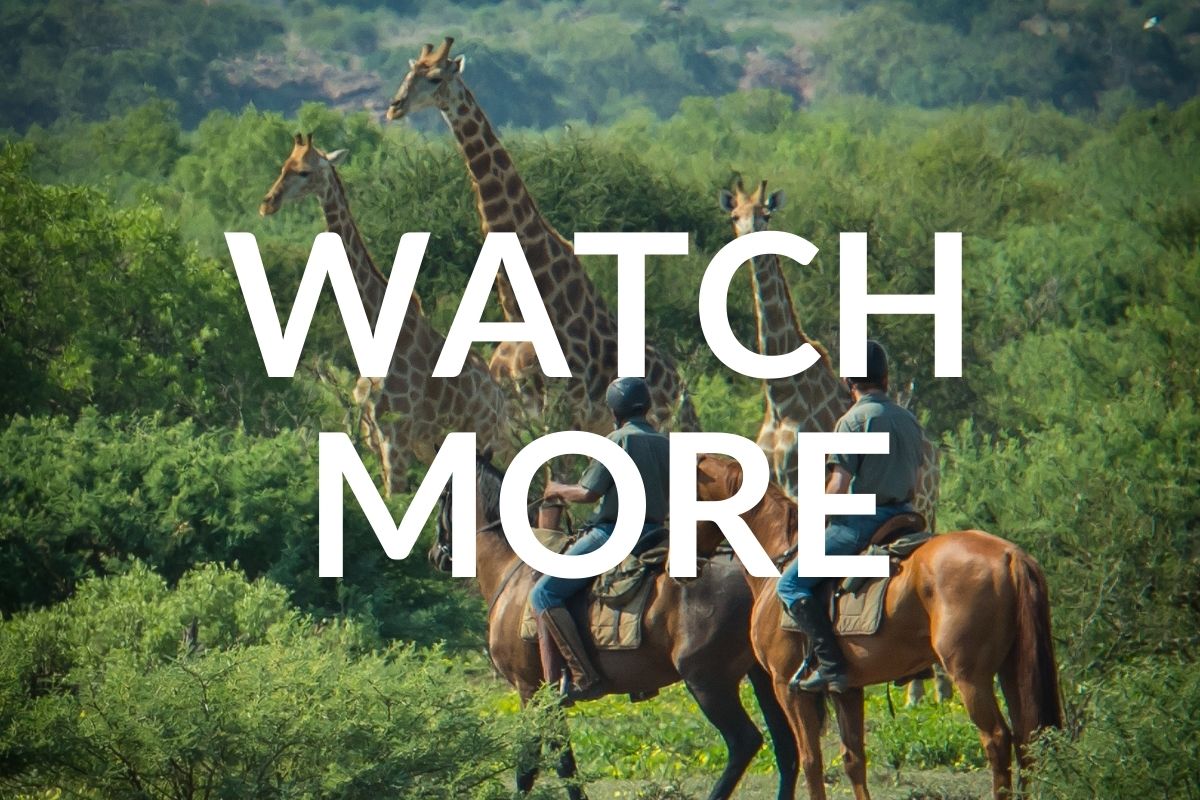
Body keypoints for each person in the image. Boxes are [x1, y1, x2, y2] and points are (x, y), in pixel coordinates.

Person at [776, 340, 924, 693]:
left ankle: (831, 666)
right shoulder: (908, 420)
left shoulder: (853, 421)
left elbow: (839, 485)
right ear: (886, 378)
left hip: (862, 523)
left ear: (848, 382)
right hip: (906, 518)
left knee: (790, 583)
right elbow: (916, 484)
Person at [530, 377, 670, 702]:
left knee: (544, 594)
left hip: (615, 534)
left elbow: (588, 493)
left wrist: (556, 490)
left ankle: (583, 675)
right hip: (658, 532)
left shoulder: (618, 440)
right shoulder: (666, 442)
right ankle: (640, 676)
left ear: (614, 410)